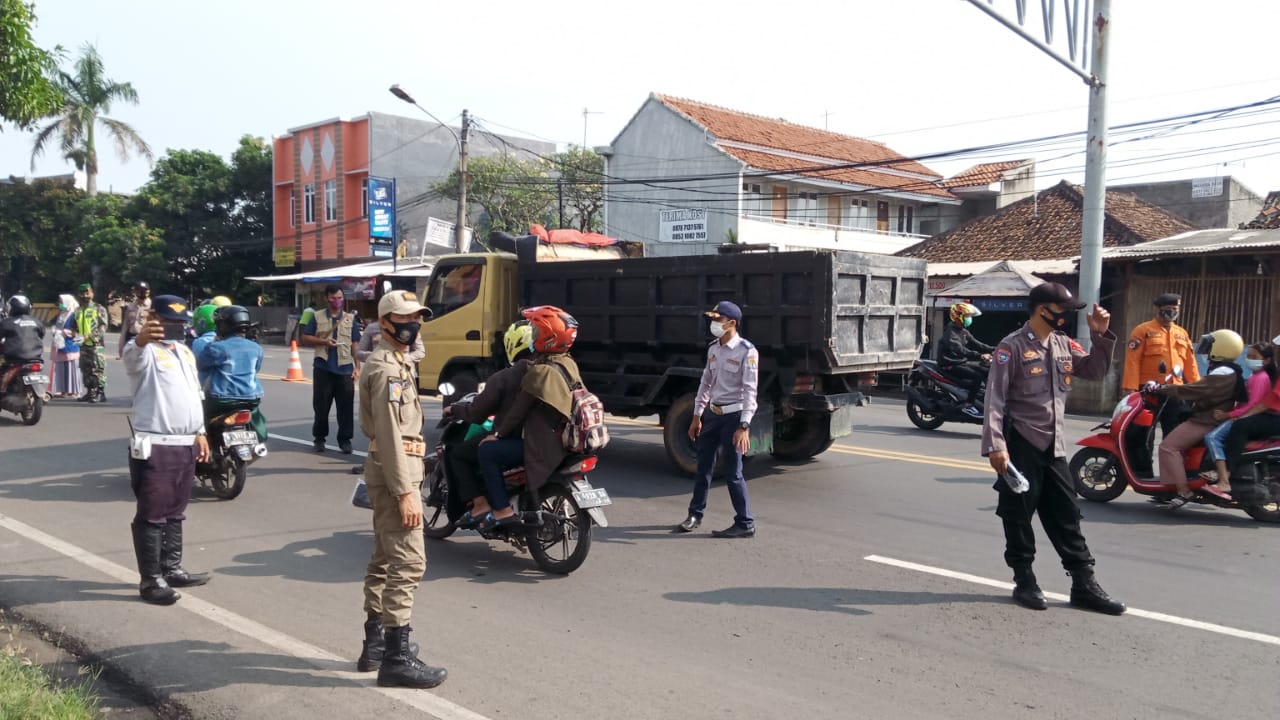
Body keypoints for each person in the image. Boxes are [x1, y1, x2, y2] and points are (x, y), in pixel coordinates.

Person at [982, 282, 1125, 615]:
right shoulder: (1011, 347)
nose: (1066, 316)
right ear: (1042, 309)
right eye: (1062, 310)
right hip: (1021, 444)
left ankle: (1084, 584)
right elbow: (995, 400)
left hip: (1055, 446)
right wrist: (995, 446)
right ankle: (1025, 579)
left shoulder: (1063, 344)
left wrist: (1101, 336)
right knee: (1017, 516)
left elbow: (1095, 371)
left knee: (1067, 516)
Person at [355, 289, 446, 689]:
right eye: (407, 318)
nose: (415, 324)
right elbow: (391, 435)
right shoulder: (388, 370)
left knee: (383, 558)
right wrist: (406, 491)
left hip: (391, 466)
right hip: (397, 468)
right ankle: (396, 657)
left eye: (418, 318)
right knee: (409, 563)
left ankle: (376, 643)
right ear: (386, 323)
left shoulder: (397, 360)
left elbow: (417, 350)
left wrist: (412, 334)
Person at [123, 295, 212, 605]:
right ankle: (150, 580)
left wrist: (200, 431)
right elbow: (131, 360)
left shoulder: (186, 353)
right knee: (152, 512)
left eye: (180, 323)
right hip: (156, 444)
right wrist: (140, 340)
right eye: (168, 323)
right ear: (154, 321)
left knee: (176, 510)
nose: (175, 328)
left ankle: (171, 568)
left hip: (186, 442)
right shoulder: (144, 352)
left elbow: (193, 395)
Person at [476, 306, 583, 530]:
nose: (532, 336)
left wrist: (498, 435)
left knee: (487, 451)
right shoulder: (567, 363)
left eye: (536, 332)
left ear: (549, 337)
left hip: (544, 446)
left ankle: (502, 510)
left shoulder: (539, 372)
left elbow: (518, 411)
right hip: (566, 442)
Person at [678, 300, 759, 539]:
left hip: (734, 417)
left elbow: (750, 392)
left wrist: (744, 426)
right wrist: (696, 416)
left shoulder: (747, 351)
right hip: (713, 415)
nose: (713, 323)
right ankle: (695, 514)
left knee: (733, 472)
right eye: (712, 319)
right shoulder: (714, 349)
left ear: (731, 323)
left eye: (718, 319)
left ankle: (745, 522)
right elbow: (705, 383)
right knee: (703, 467)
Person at [445, 321, 535, 527]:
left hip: (520, 442)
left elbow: (477, 412)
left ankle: (485, 505)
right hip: (550, 442)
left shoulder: (506, 377)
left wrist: (455, 409)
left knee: (467, 452)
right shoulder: (552, 371)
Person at [1148, 330, 1247, 508]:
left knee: (1168, 447)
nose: (1207, 350)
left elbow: (1193, 390)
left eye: (1211, 346)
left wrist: (1161, 388)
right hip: (1208, 417)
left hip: (1205, 420)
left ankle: (1182, 490)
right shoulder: (1226, 371)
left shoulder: (1222, 373)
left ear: (1221, 348)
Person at [1121, 293, 1199, 475]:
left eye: (1175, 309)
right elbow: (1133, 361)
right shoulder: (1143, 331)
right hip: (1148, 392)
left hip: (1175, 393)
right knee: (1143, 434)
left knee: (1173, 436)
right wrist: (1130, 390)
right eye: (1167, 309)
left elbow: (1190, 364)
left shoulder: (1182, 333)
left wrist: (1198, 390)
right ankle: (1143, 474)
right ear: (1157, 309)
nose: (1172, 312)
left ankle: (1170, 481)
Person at [1204, 342, 1277, 492]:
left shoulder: (1261, 378)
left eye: (1254, 357)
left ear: (1267, 360)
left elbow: (1259, 404)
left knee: (1216, 436)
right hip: (1262, 414)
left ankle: (1224, 477)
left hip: (1271, 416)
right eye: (1248, 356)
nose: (1249, 359)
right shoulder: (1254, 376)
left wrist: (1232, 415)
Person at [302, 284, 361, 454]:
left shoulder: (350, 319)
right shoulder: (316, 316)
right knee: (321, 407)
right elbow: (305, 337)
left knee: (346, 408)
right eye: (334, 298)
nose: (337, 301)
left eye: (340, 298)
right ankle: (319, 439)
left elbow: (355, 344)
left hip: (345, 369)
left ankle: (345, 440)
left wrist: (357, 367)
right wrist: (324, 342)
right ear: (326, 298)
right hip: (323, 368)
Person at [196, 305, 267, 442]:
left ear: (223, 325)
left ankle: (204, 442)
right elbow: (256, 370)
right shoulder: (257, 348)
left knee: (199, 414)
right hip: (251, 399)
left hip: (222, 399)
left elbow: (201, 365)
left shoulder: (217, 347)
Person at [1221, 333, 1280, 482]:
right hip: (1272, 415)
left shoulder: (1261, 377)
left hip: (1275, 417)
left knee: (1240, 426)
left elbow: (1266, 402)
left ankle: (1226, 474)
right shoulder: (1263, 375)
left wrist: (1241, 416)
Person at [939, 301, 994, 418]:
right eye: (967, 316)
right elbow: (960, 350)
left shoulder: (963, 330)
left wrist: (996, 348)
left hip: (961, 362)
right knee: (977, 376)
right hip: (950, 364)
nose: (969, 319)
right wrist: (980, 355)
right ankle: (968, 404)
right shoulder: (950, 332)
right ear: (958, 316)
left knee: (987, 370)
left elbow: (978, 344)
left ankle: (986, 399)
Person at [72, 283, 109, 403]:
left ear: (92, 293)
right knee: (86, 369)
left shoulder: (98, 308)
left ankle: (100, 392)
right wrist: (74, 334)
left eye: (87, 292)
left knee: (98, 369)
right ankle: (90, 392)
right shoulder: (78, 310)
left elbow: (103, 326)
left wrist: (90, 336)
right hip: (83, 345)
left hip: (96, 344)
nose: (85, 295)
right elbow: (74, 326)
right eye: (82, 293)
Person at [0, 296, 45, 375]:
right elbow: (41, 334)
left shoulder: (7, 322)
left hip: (14, 359)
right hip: (36, 357)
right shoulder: (36, 321)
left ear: (11, 308)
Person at [52, 295, 83, 398]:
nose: (60, 304)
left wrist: (64, 332)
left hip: (70, 345)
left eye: (62, 302)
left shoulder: (74, 315)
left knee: (71, 368)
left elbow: (78, 331)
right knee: (61, 369)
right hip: (60, 345)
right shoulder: (61, 315)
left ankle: (74, 391)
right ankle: (62, 390)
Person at [118, 281, 152, 359]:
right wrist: (121, 346)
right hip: (131, 338)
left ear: (148, 291)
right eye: (139, 290)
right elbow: (125, 327)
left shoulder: (152, 307)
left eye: (144, 290)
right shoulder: (131, 307)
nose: (142, 292)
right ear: (135, 291)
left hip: (146, 339)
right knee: (132, 364)